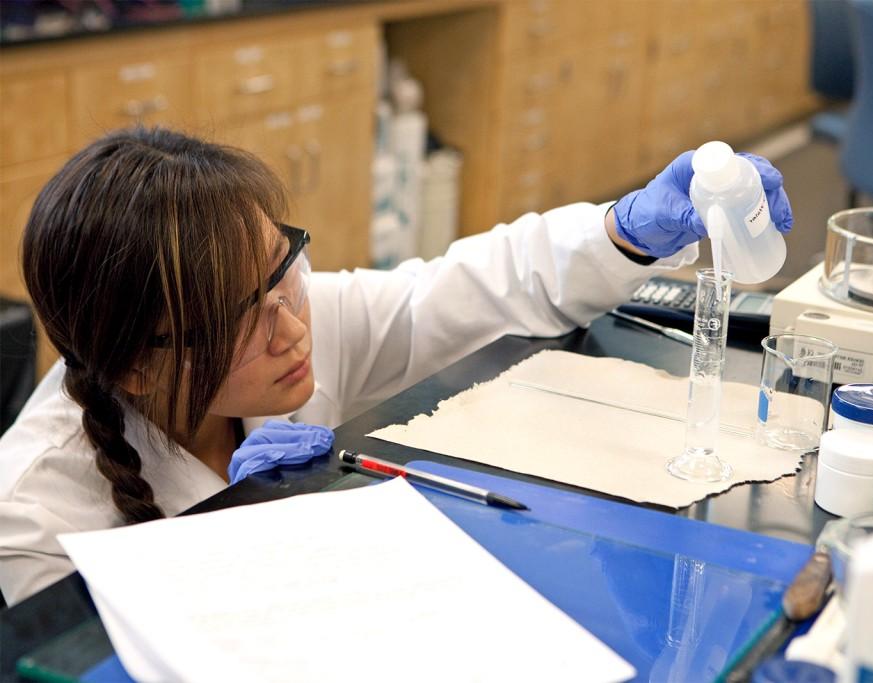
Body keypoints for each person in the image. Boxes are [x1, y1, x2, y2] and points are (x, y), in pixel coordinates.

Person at [0, 128, 793, 605]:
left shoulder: (294, 316)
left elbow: (452, 293)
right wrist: (228, 542)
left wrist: (627, 232)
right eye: (240, 315)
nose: (291, 325)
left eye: (284, 267)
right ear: (137, 367)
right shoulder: (34, 520)